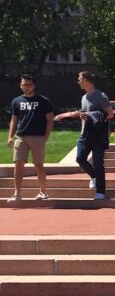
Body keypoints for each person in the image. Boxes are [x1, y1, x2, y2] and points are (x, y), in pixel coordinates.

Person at [6, 75, 54, 204]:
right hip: (21, 136)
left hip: (38, 137)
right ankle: (17, 194)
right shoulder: (16, 101)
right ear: (20, 85)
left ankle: (43, 192)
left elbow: (50, 120)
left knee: (38, 165)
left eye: (29, 85)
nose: (26, 87)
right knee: (18, 164)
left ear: (34, 85)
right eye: (23, 85)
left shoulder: (43, 101)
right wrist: (10, 136)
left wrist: (46, 137)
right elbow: (14, 120)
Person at [75, 71, 113, 200]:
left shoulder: (101, 96)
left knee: (98, 163)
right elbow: (84, 116)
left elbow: (110, 113)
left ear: (86, 80)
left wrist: (92, 115)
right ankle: (93, 176)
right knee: (80, 158)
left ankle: (101, 192)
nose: (78, 82)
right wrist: (82, 125)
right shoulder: (83, 97)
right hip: (86, 133)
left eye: (80, 79)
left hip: (98, 134)